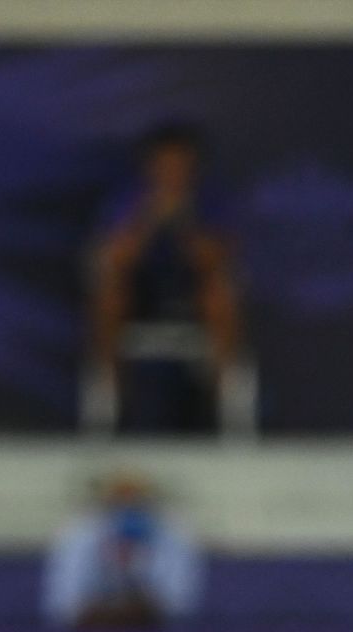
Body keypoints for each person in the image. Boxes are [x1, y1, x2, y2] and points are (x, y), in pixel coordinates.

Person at [85, 122, 251, 434]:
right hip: (141, 293)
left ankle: (224, 399)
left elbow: (214, 260)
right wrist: (149, 218)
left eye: (180, 165)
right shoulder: (127, 199)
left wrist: (185, 222)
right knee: (109, 292)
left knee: (220, 293)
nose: (172, 172)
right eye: (164, 165)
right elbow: (115, 259)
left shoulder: (211, 198)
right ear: (149, 166)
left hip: (192, 292)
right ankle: (110, 393)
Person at [41, 469, 204, 631]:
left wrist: (141, 608)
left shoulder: (170, 534)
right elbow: (63, 604)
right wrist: (106, 611)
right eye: (120, 501)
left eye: (135, 502)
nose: (127, 507)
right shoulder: (81, 533)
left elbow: (179, 603)